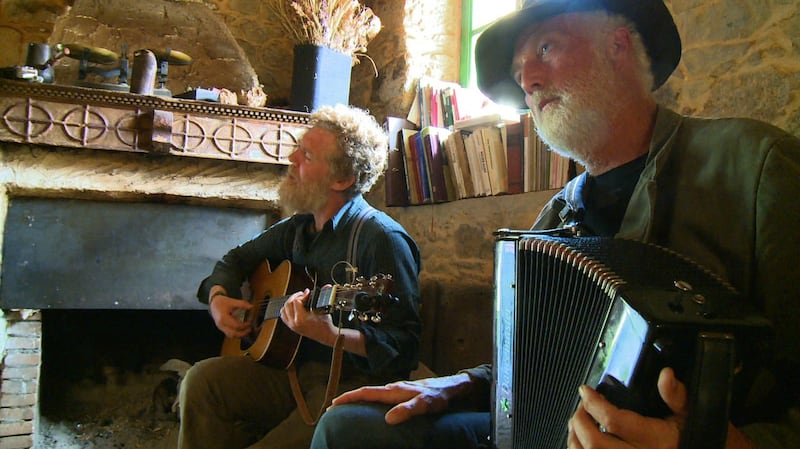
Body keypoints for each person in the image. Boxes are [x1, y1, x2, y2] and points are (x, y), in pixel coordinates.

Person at [310, 1, 800, 449]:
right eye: (521, 71)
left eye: (546, 48)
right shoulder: (555, 217)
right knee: (349, 430)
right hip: (546, 433)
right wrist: (461, 384)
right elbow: (542, 366)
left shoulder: (756, 168)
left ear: (619, 44)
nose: (529, 81)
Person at [177, 104, 423, 449]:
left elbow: (405, 348)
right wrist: (218, 297)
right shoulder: (296, 228)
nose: (291, 157)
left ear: (342, 179)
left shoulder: (381, 239)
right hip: (286, 371)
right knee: (201, 380)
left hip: (346, 386)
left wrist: (331, 334)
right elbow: (235, 259)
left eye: (306, 154)